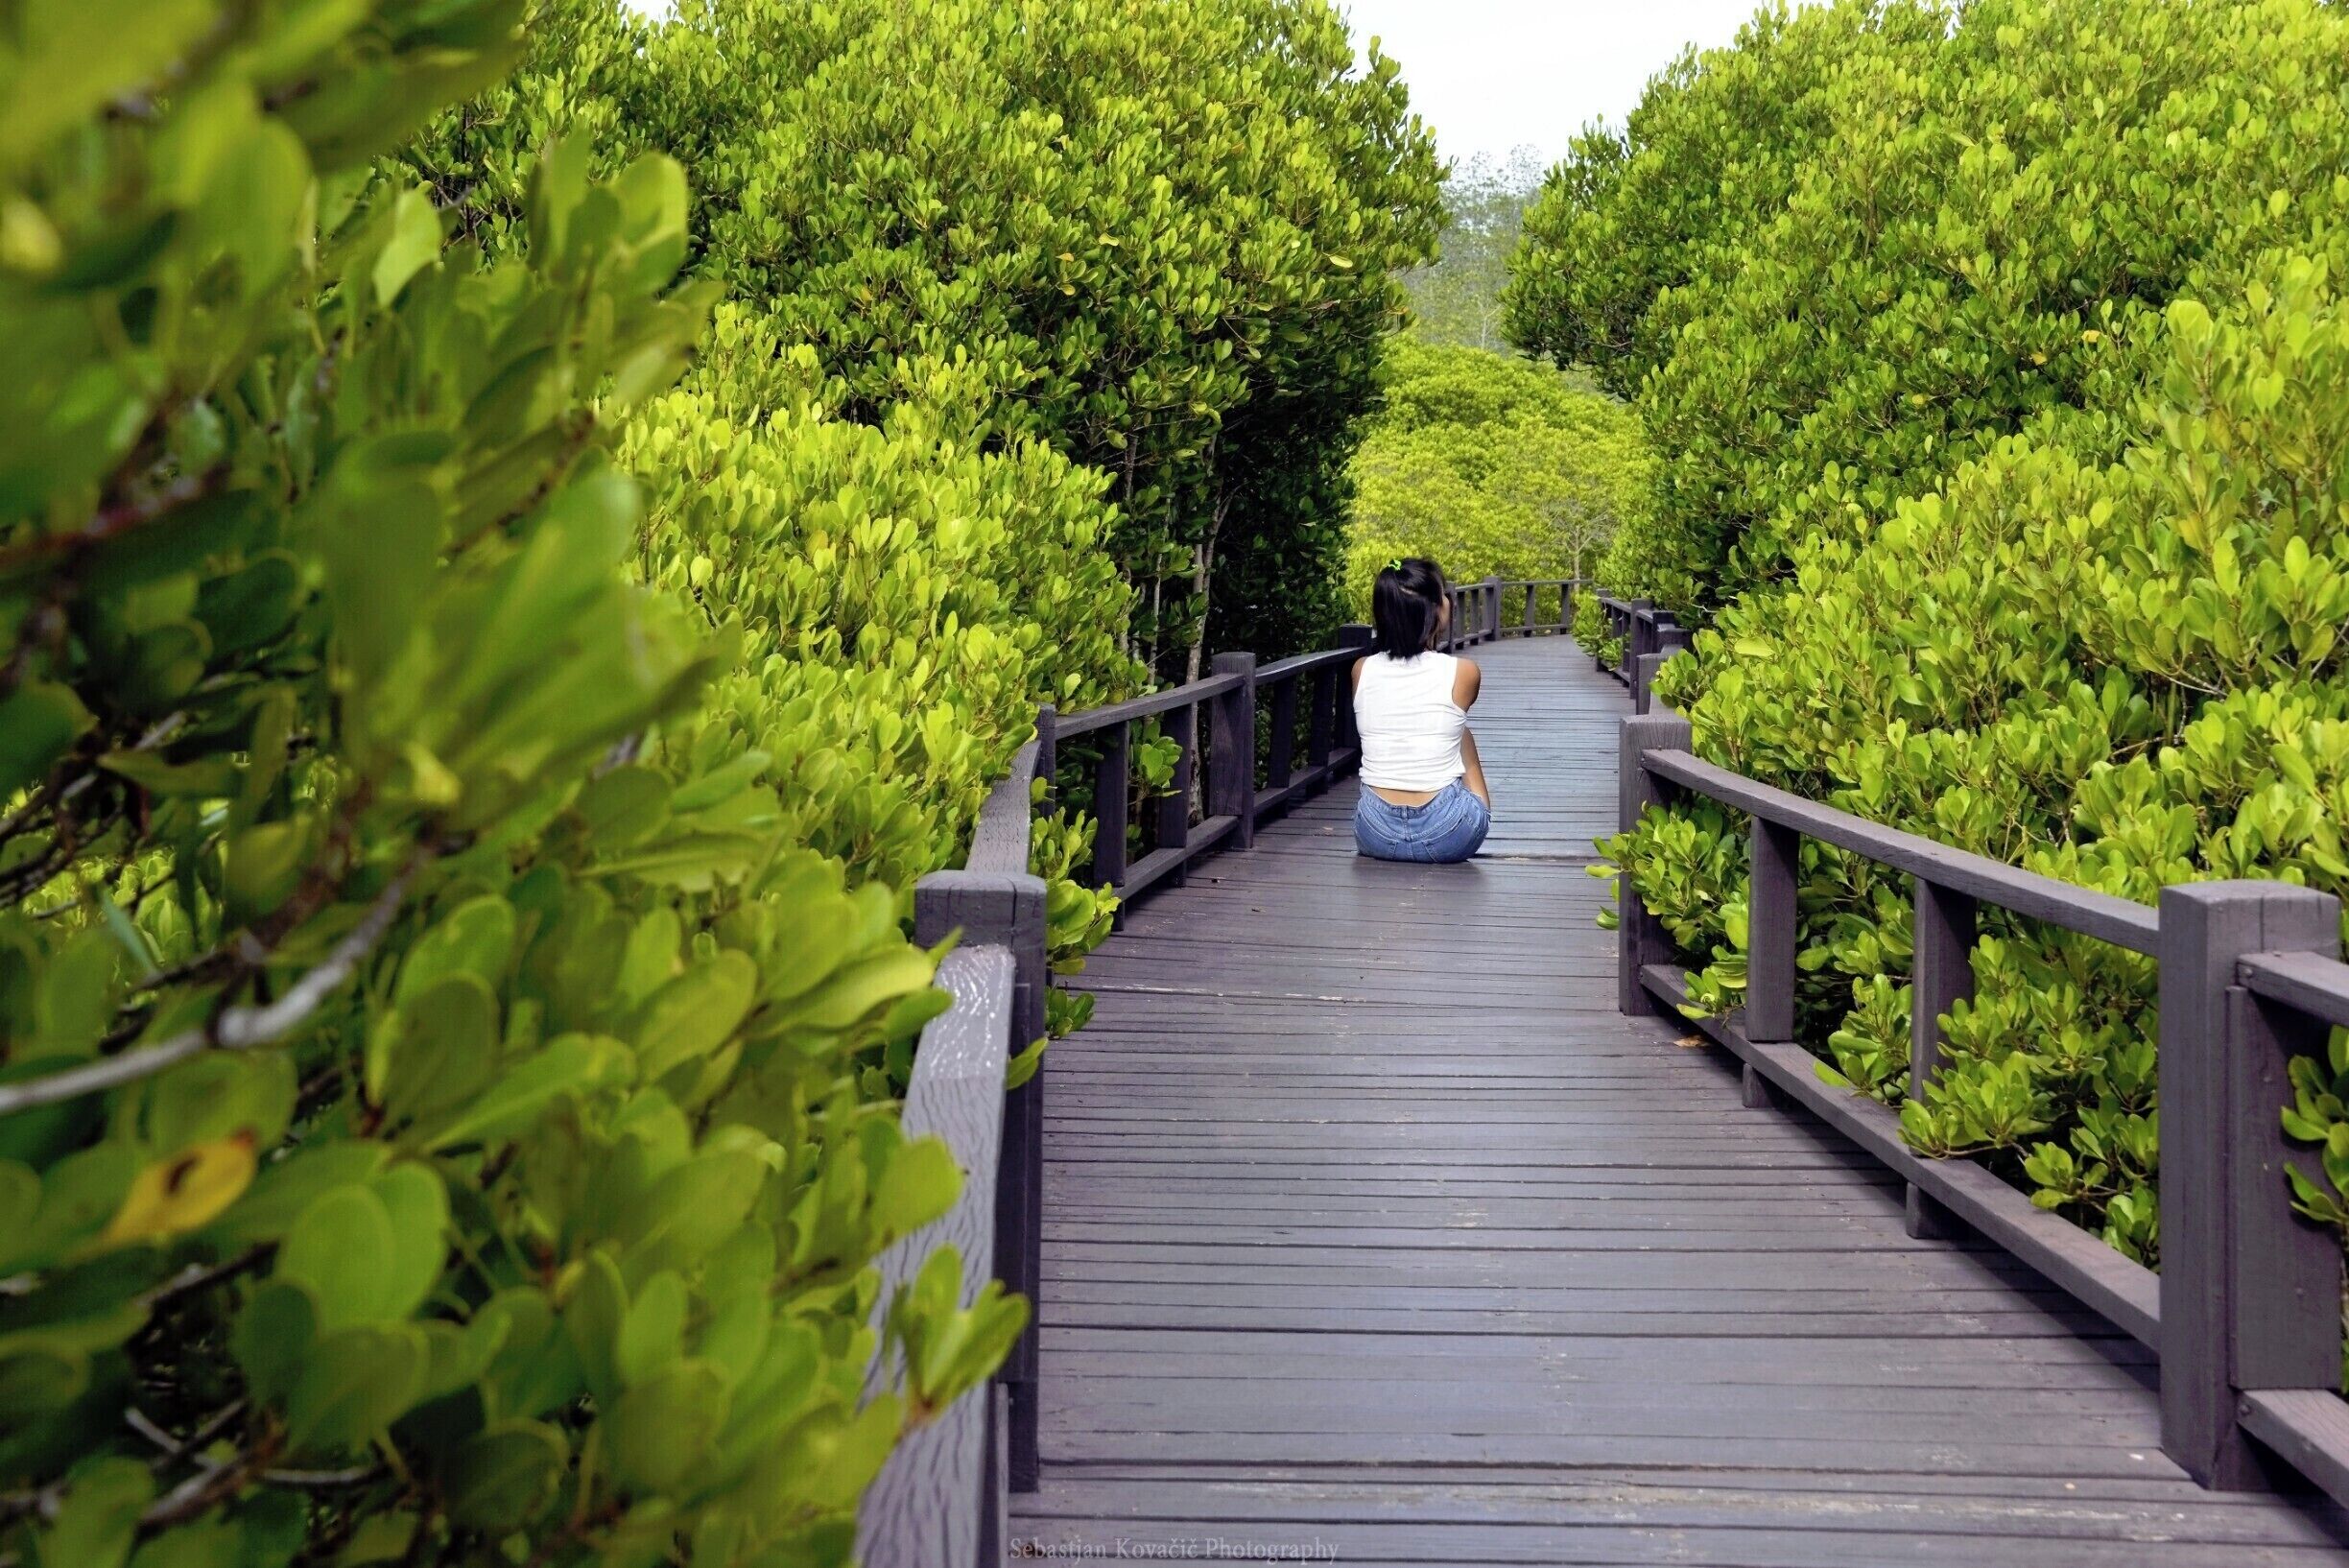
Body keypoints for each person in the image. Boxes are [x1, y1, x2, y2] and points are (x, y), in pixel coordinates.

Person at [1349, 558, 1490, 863]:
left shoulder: (1361, 669)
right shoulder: (1464, 672)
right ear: (1434, 612)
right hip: (1449, 833)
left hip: (1375, 831)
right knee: (1461, 732)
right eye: (1443, 595)